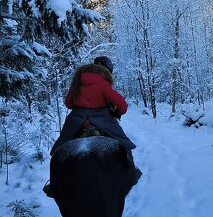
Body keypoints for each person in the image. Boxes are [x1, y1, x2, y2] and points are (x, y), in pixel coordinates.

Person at [43, 56, 142, 197]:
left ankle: (55, 184)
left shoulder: (78, 81)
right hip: (102, 120)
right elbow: (122, 106)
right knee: (124, 143)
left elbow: (68, 103)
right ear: (107, 70)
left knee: (60, 147)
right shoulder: (103, 83)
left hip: (77, 120)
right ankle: (131, 174)